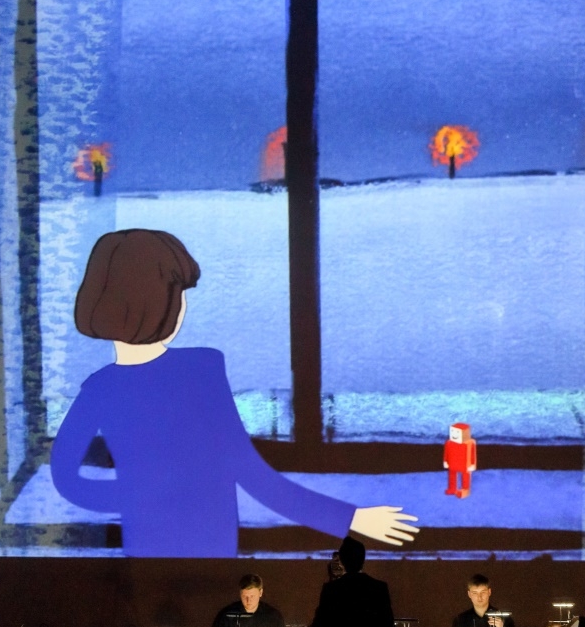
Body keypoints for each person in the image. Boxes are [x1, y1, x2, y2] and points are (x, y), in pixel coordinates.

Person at [50, 228, 419, 558]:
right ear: (155, 303)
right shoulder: (186, 376)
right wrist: (350, 519)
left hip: (204, 549)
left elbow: (249, 471)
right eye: (178, 295)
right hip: (159, 551)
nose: (183, 306)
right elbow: (66, 480)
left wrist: (348, 518)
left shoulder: (194, 371)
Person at [448, 573, 515, 627]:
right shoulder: (460, 620)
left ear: (489, 592)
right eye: (475, 593)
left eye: (483, 592)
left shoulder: (505, 618)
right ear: (469, 594)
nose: (479, 597)